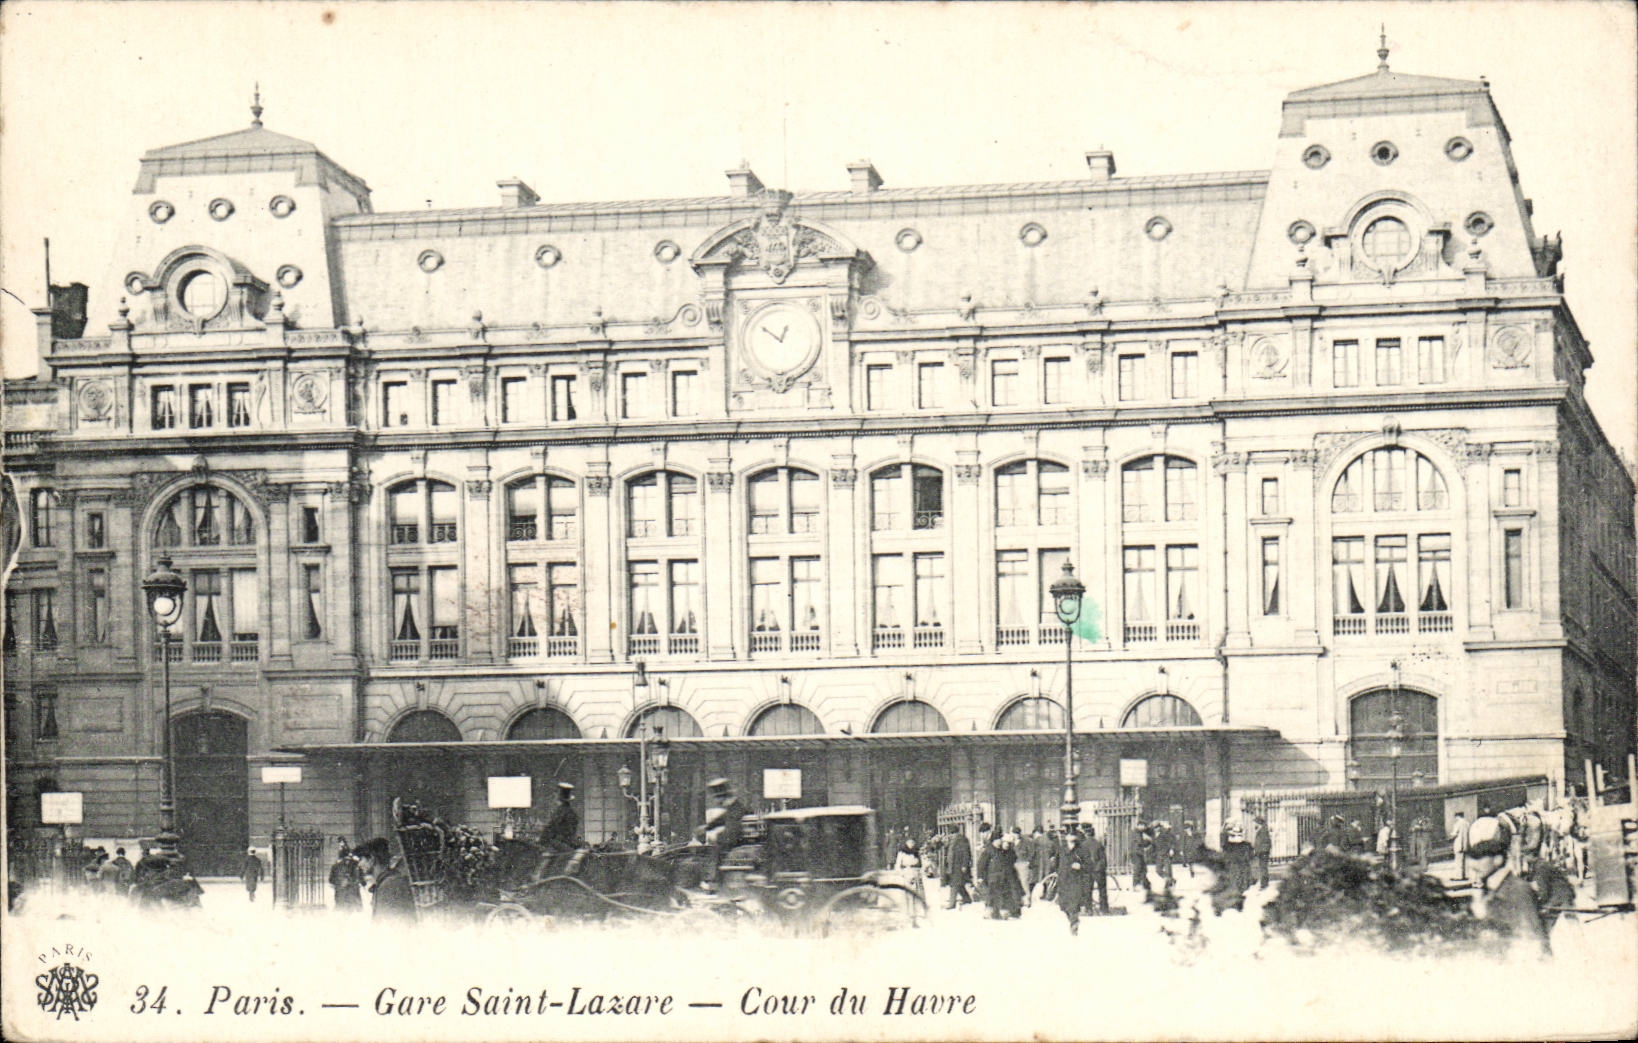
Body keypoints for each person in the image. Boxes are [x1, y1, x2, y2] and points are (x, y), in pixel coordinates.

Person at [1464, 815, 1549, 957]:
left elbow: (1534, 939)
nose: (1474, 865)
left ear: (1497, 860)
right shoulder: (1491, 889)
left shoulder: (1518, 889)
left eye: (1480, 859)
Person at [353, 837, 415, 921]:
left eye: (361, 859)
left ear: (372, 859)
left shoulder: (388, 886)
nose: (359, 864)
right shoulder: (388, 882)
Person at [1055, 828, 1092, 935]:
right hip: (1063, 880)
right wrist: (1059, 872)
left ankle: (1074, 922)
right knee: (1064, 905)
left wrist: (1080, 866)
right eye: (1069, 835)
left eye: (1073, 835)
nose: (1071, 837)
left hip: (1076, 880)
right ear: (1066, 837)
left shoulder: (1081, 849)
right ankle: (1072, 919)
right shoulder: (1061, 849)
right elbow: (1056, 863)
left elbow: (1089, 865)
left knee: (1074, 904)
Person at [984, 834, 1023, 919]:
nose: (1006, 845)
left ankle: (1012, 912)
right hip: (999, 877)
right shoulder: (997, 852)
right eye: (1005, 843)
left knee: (1011, 894)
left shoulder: (1011, 853)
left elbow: (1012, 862)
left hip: (1010, 876)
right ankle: (995, 912)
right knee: (996, 895)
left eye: (1008, 843)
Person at [540, 782, 581, 852]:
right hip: (568, 842)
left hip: (561, 844)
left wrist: (542, 840)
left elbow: (552, 828)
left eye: (555, 796)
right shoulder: (570, 812)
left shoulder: (561, 812)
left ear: (559, 799)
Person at [941, 826, 973, 909]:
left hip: (958, 865)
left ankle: (952, 904)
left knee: (954, 884)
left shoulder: (962, 840)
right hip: (952, 865)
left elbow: (966, 853)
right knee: (958, 884)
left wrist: (964, 865)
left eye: (952, 833)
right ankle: (967, 898)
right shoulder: (951, 841)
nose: (951, 835)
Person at [1081, 824, 1109, 915]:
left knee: (1087, 890)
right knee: (1102, 890)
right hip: (1099, 870)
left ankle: (1089, 910)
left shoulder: (1083, 845)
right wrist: (1100, 867)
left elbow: (1081, 859)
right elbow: (1103, 858)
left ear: (1085, 833)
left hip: (1088, 871)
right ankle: (1104, 910)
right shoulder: (1098, 844)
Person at [1222, 822, 1253, 898]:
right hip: (1243, 867)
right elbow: (1250, 856)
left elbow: (1225, 858)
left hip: (1234, 867)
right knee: (1242, 884)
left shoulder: (1228, 846)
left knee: (1235, 883)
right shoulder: (1247, 845)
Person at [329, 839, 362, 910]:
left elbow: (331, 880)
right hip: (352, 895)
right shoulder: (355, 864)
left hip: (342, 894)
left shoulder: (336, 866)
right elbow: (360, 877)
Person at [1251, 814, 1272, 889]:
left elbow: (1264, 842)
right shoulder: (1262, 830)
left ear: (1258, 823)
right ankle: (1264, 883)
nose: (1254, 824)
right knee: (1262, 867)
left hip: (1263, 852)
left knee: (1263, 868)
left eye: (1255, 822)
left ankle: (1264, 884)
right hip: (1262, 851)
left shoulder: (1263, 830)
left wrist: (1260, 850)